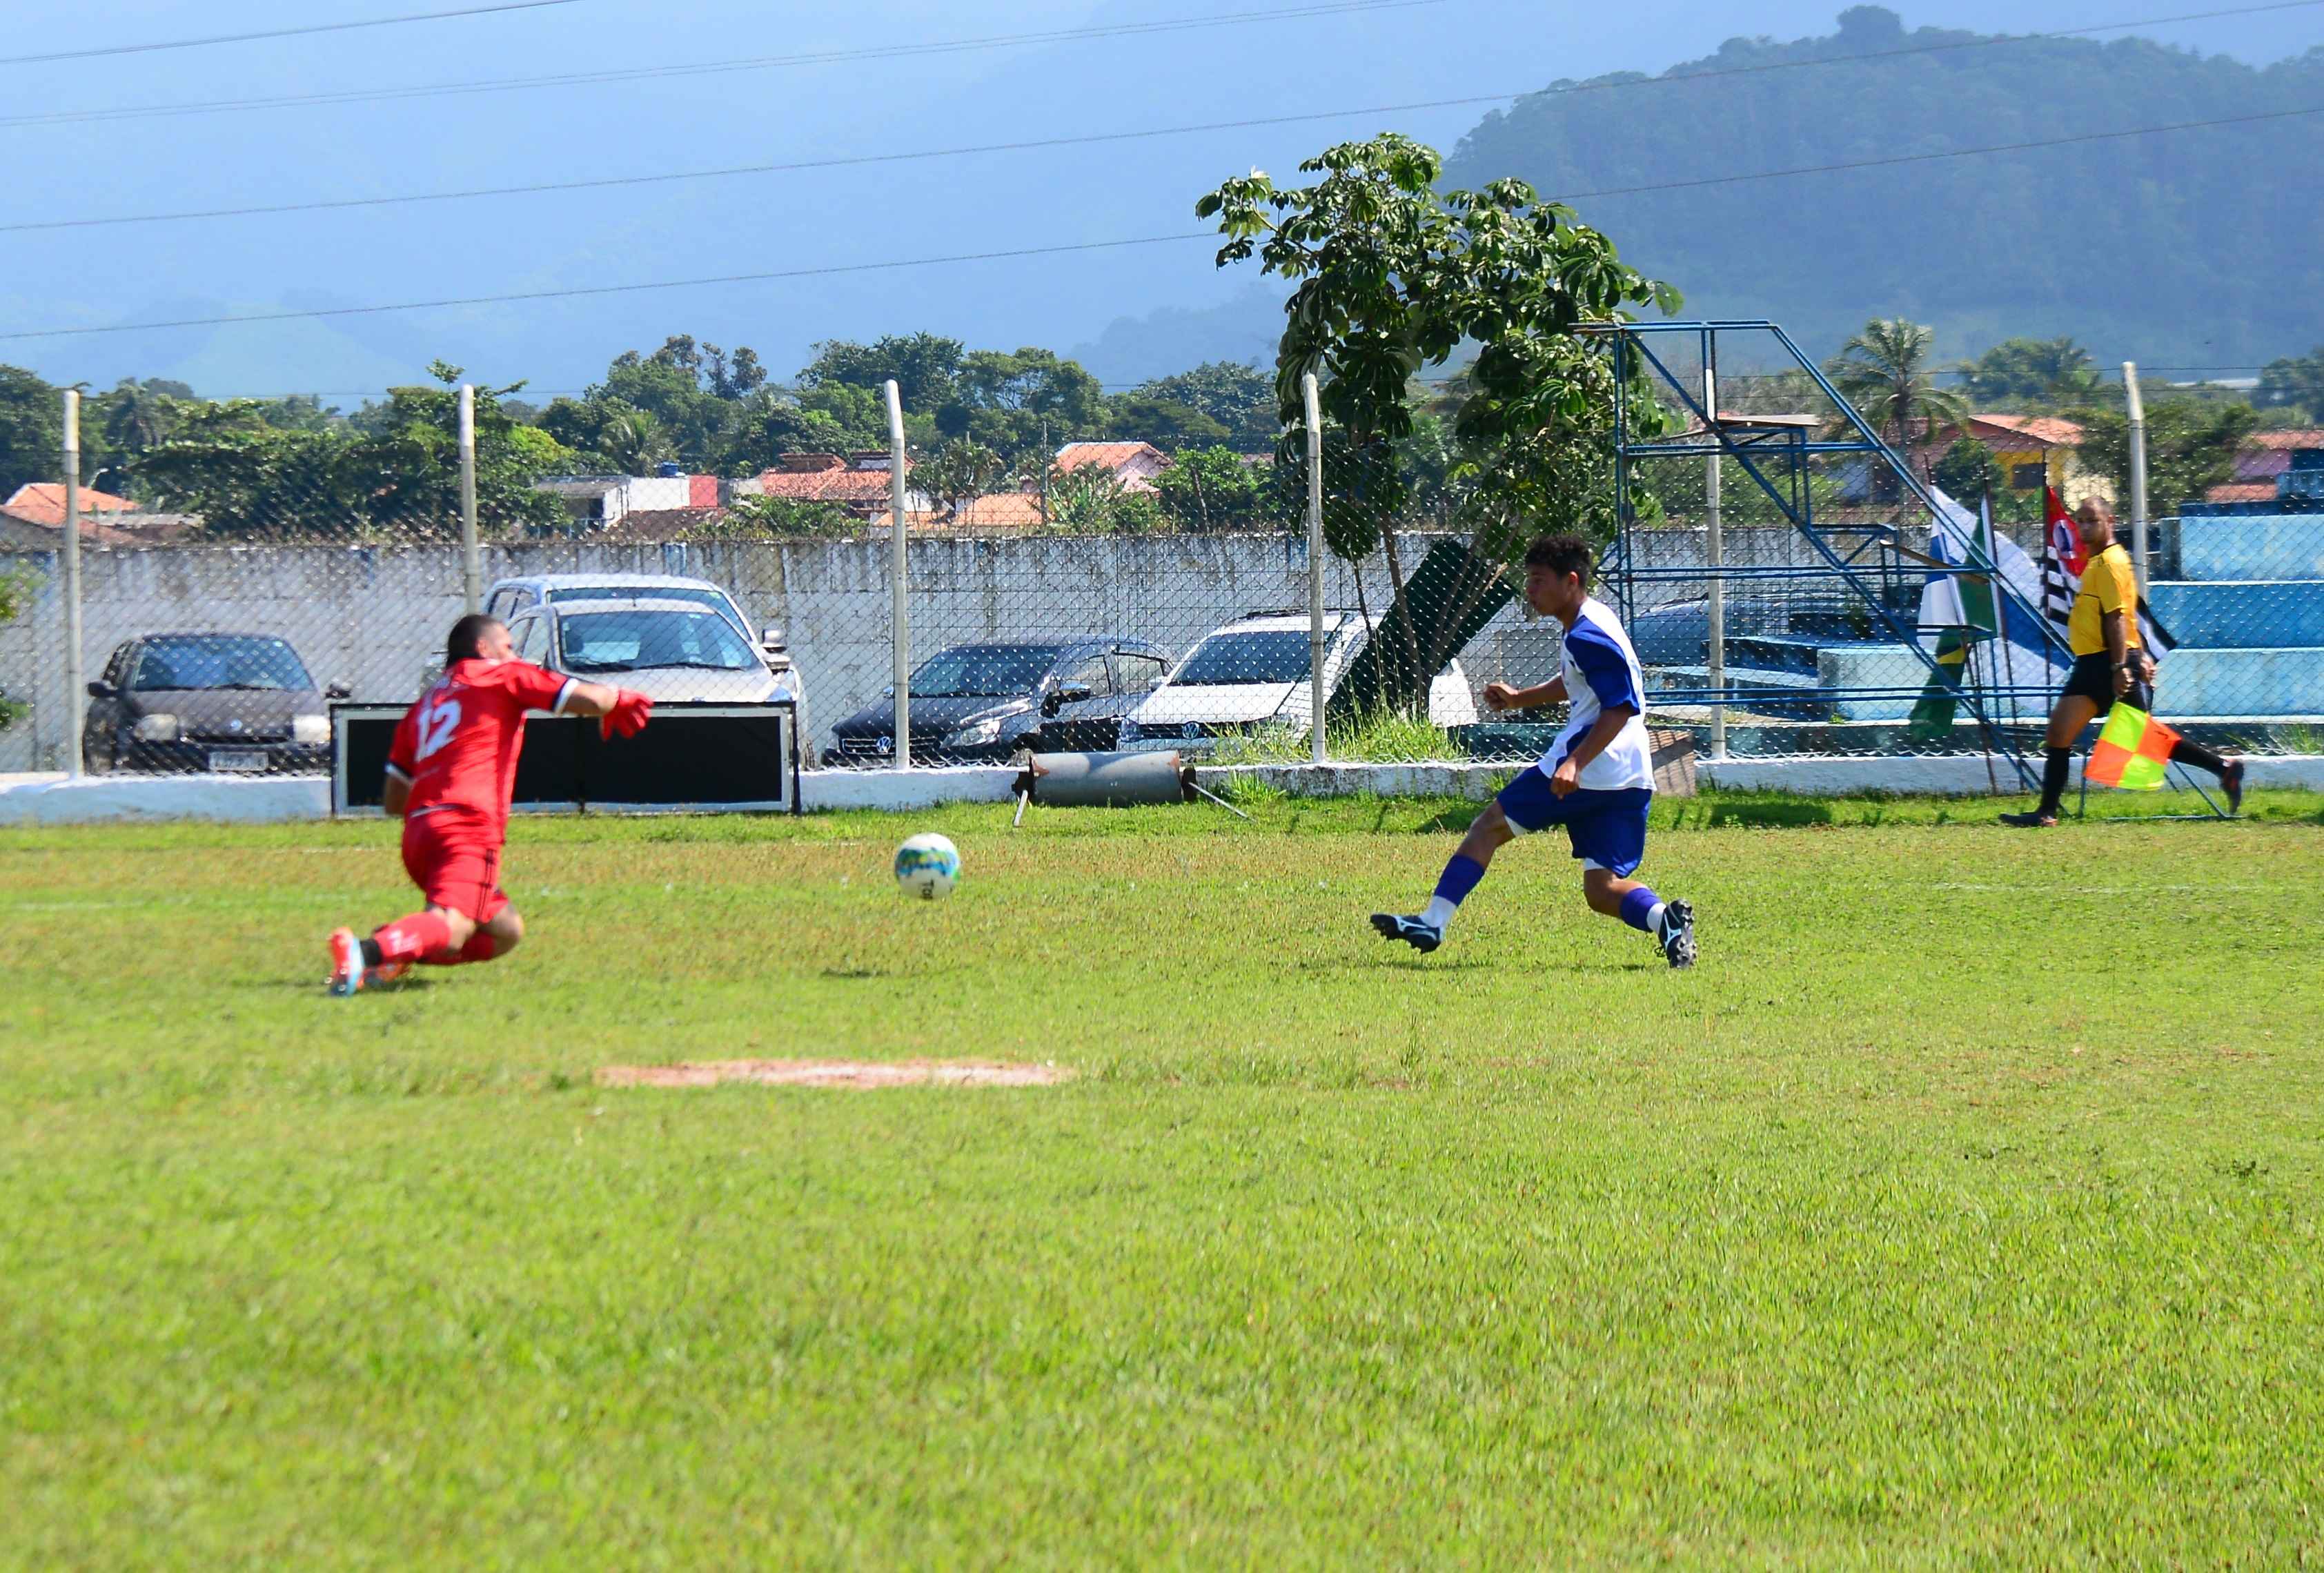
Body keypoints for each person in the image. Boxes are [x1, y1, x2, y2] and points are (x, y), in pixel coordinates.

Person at [1372, 534, 1695, 969]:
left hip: (1591, 765)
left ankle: (1433, 922)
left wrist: (1575, 763)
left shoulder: (1585, 635)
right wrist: (1521, 698)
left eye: (1539, 581)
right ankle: (1666, 921)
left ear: (1571, 581)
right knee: (1602, 890)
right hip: (1630, 774)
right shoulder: (1594, 619)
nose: (1530, 590)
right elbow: (1586, 683)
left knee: (1488, 827)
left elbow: (1619, 707)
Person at [326, 613, 653, 995]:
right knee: (453, 929)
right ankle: (366, 952)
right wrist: (618, 697)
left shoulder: (425, 705)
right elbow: (591, 699)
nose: (515, 655)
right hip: (466, 828)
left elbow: (394, 800)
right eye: (509, 646)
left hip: (419, 834)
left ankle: (402, 945)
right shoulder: (504, 675)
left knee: (505, 931)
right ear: (484, 648)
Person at [2001, 499, 2242, 827]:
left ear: (2110, 521)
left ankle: (2224, 768)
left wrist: (2121, 667)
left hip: (2108, 663)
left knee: (2143, 737)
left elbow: (2116, 618)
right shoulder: (2098, 561)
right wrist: (2137, 653)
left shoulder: (2112, 561)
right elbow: (2129, 616)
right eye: (2081, 521)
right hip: (2093, 662)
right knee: (2060, 732)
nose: (2085, 528)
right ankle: (2046, 813)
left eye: (2093, 521)